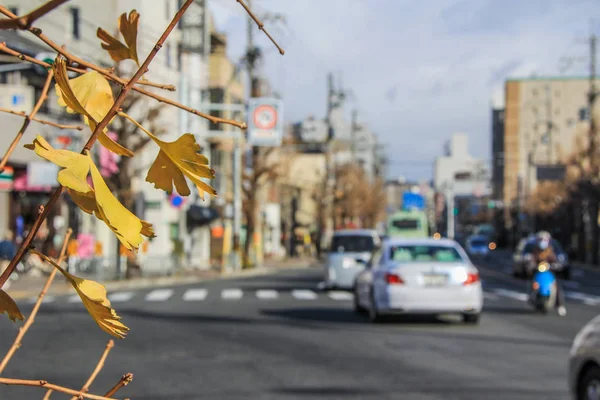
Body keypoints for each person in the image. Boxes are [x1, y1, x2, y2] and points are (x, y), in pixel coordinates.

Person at [532, 231, 567, 316]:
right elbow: (532, 259)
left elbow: (557, 260)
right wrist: (530, 263)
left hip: (549, 272)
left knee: (556, 286)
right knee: (533, 283)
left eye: (544, 239)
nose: (542, 241)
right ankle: (532, 296)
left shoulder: (550, 250)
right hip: (538, 272)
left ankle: (560, 305)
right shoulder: (536, 250)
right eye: (541, 239)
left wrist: (556, 265)